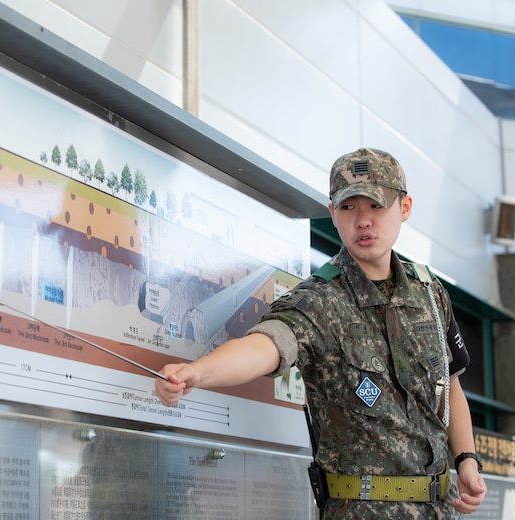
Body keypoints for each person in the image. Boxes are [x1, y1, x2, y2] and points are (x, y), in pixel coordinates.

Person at [155, 148, 487, 518]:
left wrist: (467, 460)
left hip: (441, 508)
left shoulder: (430, 293)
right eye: (348, 208)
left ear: (404, 208)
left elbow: (450, 385)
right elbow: (264, 346)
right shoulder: (318, 299)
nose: (363, 221)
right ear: (332, 213)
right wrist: (198, 372)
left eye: (376, 206)